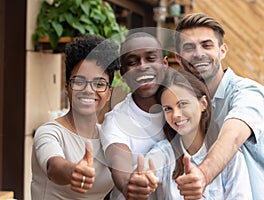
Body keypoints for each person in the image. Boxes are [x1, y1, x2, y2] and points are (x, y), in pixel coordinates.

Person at [174, 13, 264, 199]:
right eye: (189, 47)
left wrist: (203, 174)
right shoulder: (183, 106)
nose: (198, 54)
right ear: (178, 57)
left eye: (207, 45)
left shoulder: (248, 92)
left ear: (222, 51)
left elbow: (233, 135)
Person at [31, 35, 119, 199]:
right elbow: (54, 167)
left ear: (109, 93)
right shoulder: (50, 133)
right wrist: (73, 171)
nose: (88, 90)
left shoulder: (108, 138)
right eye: (79, 81)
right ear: (67, 88)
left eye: (99, 83)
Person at [141, 69, 252, 199]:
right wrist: (142, 179)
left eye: (183, 104)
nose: (176, 115)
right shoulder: (163, 152)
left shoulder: (232, 158)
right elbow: (146, 171)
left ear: (203, 104)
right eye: (168, 109)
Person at [100, 32, 168, 200]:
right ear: (123, 73)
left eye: (151, 58)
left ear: (165, 64)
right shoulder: (116, 121)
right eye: (132, 62)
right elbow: (118, 160)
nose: (142, 66)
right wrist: (129, 182)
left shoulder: (184, 109)